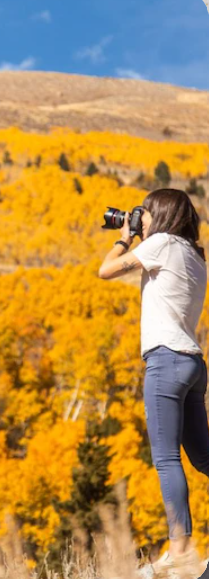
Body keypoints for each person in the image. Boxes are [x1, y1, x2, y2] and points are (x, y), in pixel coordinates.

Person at [99, 188, 208, 578]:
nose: (138, 217)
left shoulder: (160, 243)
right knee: (203, 457)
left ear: (160, 214)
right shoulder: (196, 255)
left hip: (165, 360)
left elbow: (105, 270)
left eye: (143, 212)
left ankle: (179, 549)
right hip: (194, 364)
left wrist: (123, 237)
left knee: (166, 459)